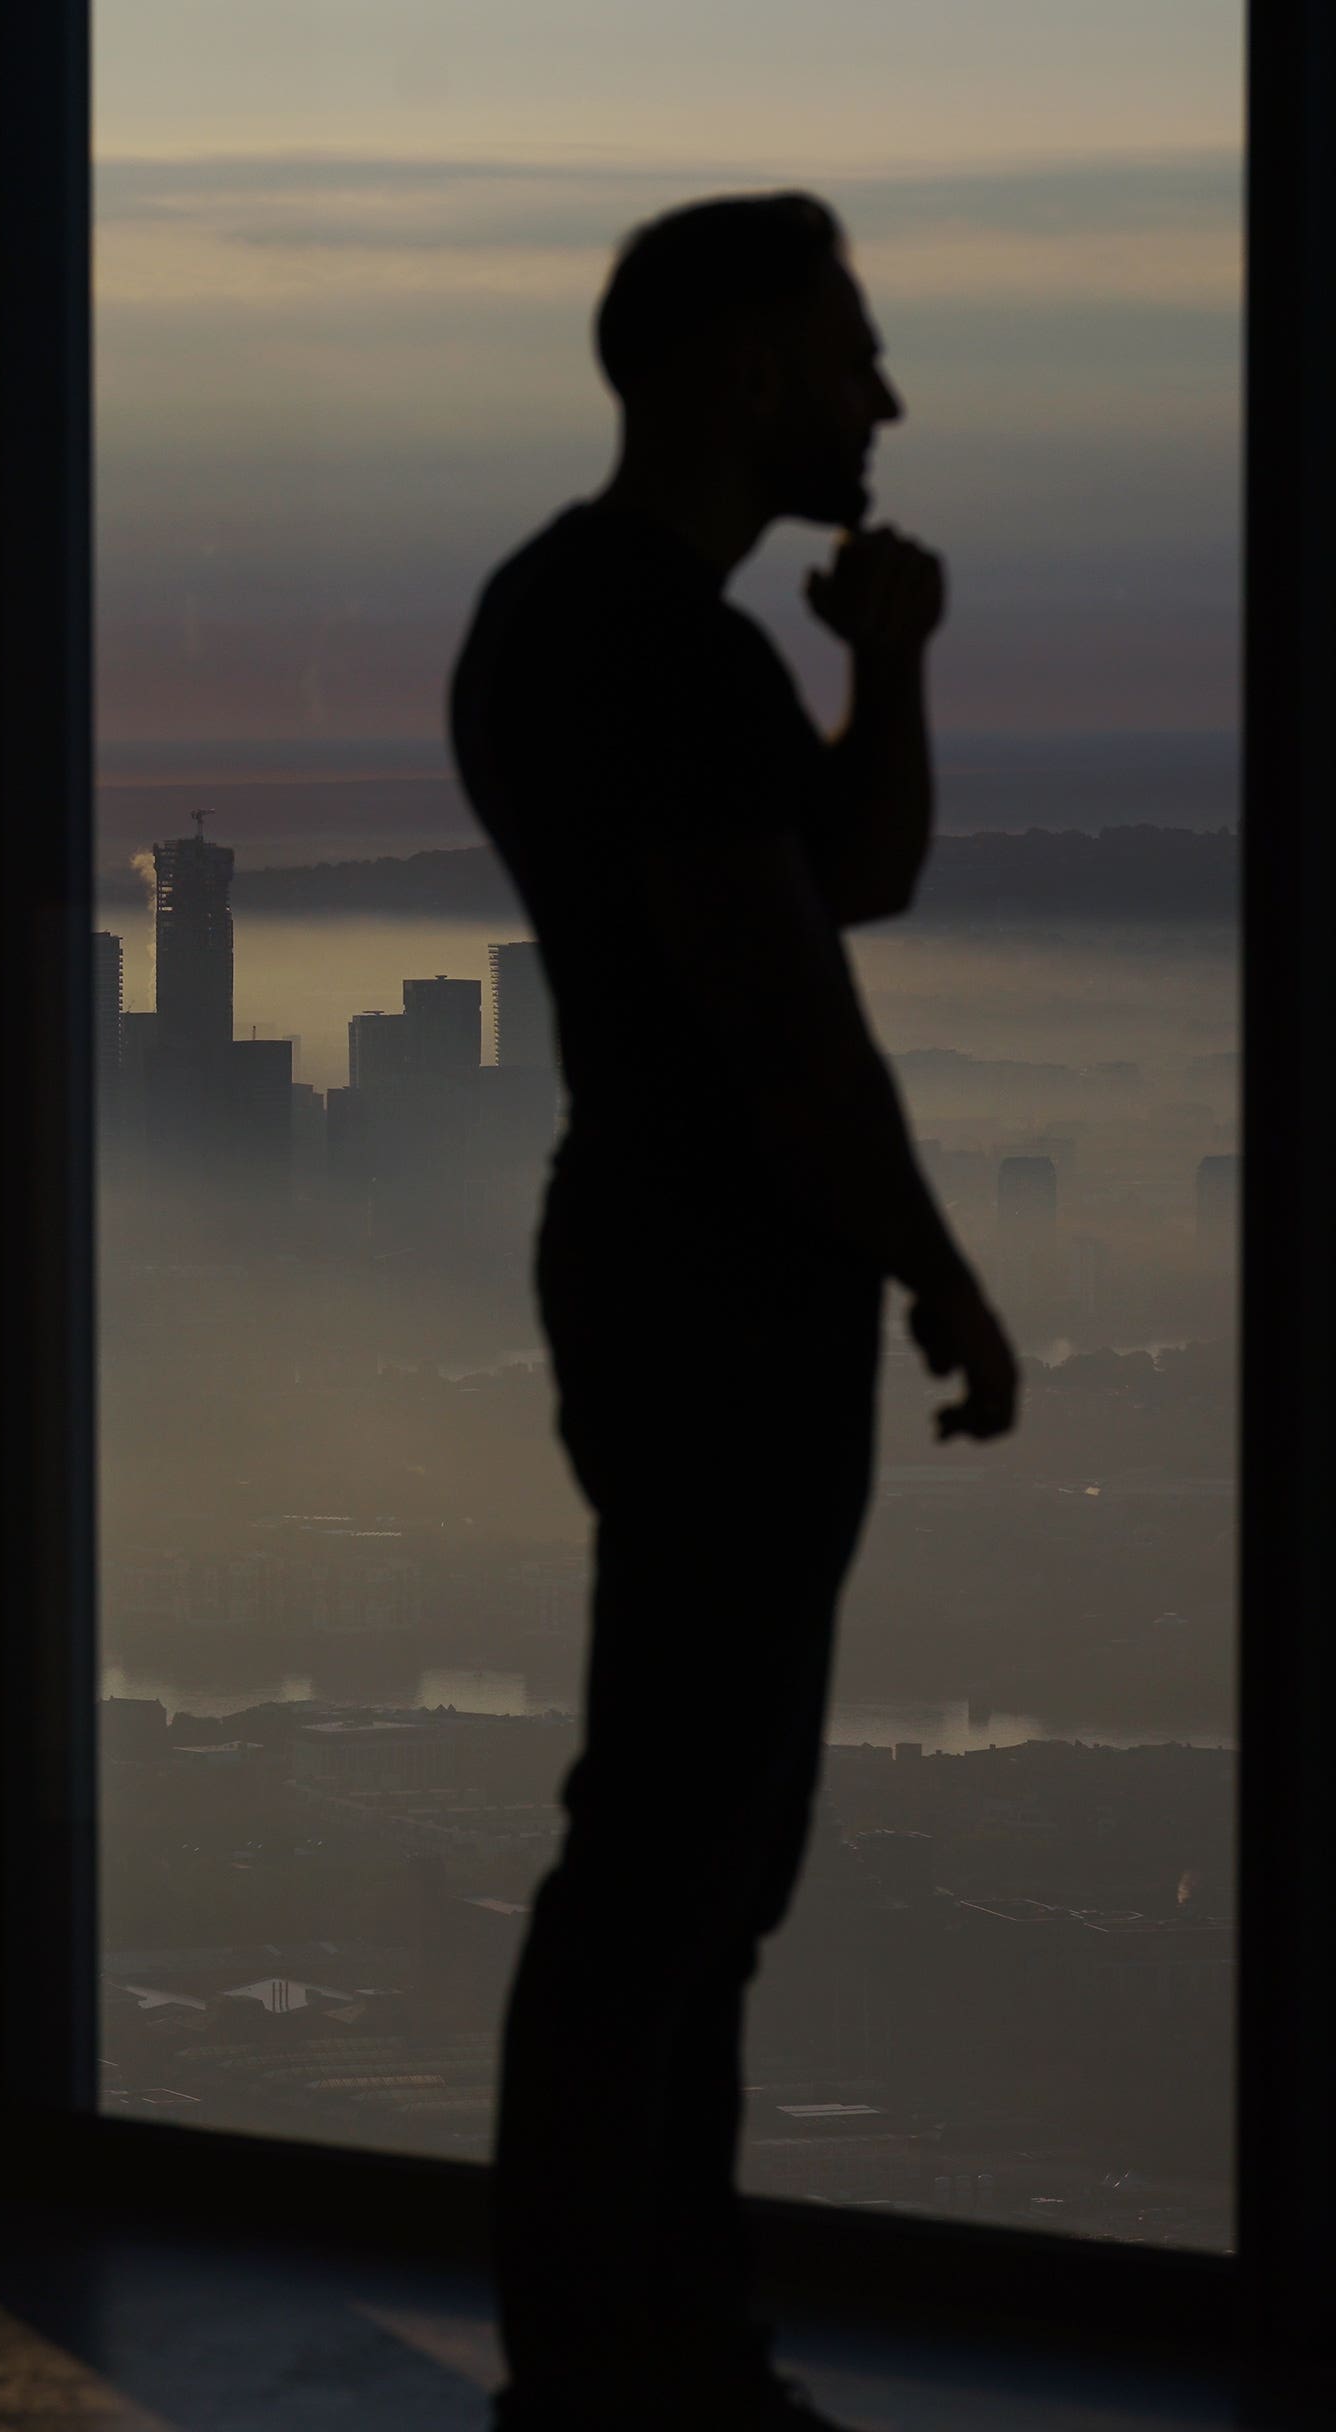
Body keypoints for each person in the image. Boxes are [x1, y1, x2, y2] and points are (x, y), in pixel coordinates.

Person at [449, 194, 1020, 2431]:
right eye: (854, 352)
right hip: (722, 1285)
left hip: (654, 1254)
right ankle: (621, 2363)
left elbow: (845, 878)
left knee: (694, 1847)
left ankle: (642, 2349)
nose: (890, 398)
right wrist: (936, 1267)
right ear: (749, 372)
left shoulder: (569, 619)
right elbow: (795, 1028)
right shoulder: (658, 655)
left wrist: (890, 662)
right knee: (679, 1857)